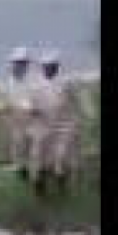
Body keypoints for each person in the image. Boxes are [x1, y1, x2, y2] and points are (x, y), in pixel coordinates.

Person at [33, 51, 82, 192]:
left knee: (60, 158)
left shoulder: (66, 82)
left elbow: (77, 101)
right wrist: (32, 110)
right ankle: (39, 188)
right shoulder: (37, 85)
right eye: (45, 66)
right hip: (45, 126)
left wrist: (78, 121)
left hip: (65, 126)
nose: (48, 68)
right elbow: (31, 104)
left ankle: (62, 189)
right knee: (40, 158)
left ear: (56, 66)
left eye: (51, 66)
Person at [0, 48, 38, 179]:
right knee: (18, 149)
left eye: (22, 62)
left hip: (34, 122)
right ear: (12, 63)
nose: (20, 65)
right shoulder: (7, 83)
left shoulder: (35, 80)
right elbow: (2, 104)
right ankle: (21, 172)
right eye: (17, 62)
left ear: (27, 63)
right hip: (16, 123)